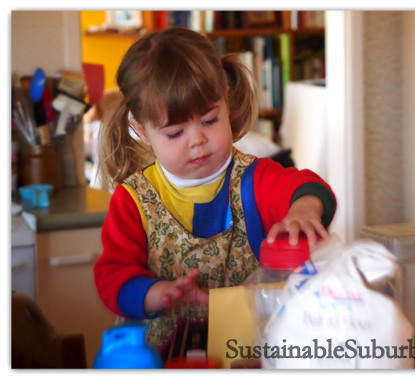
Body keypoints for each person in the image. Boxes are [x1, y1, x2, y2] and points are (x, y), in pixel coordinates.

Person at [93, 27, 336, 361]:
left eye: (209, 120)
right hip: (166, 360)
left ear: (225, 96)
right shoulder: (132, 200)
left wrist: (304, 209)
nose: (197, 140)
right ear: (141, 130)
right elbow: (113, 277)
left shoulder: (255, 178)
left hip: (249, 357)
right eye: (175, 132)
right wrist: (155, 293)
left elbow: (306, 187)